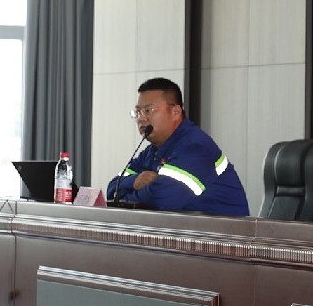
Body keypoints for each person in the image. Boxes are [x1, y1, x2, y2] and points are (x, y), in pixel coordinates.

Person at [104, 77, 250, 217]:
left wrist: (127, 198)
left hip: (222, 233)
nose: (141, 118)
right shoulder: (151, 152)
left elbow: (160, 200)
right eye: (138, 112)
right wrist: (135, 181)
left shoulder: (196, 148)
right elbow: (112, 189)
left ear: (176, 112)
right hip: (185, 231)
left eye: (148, 110)